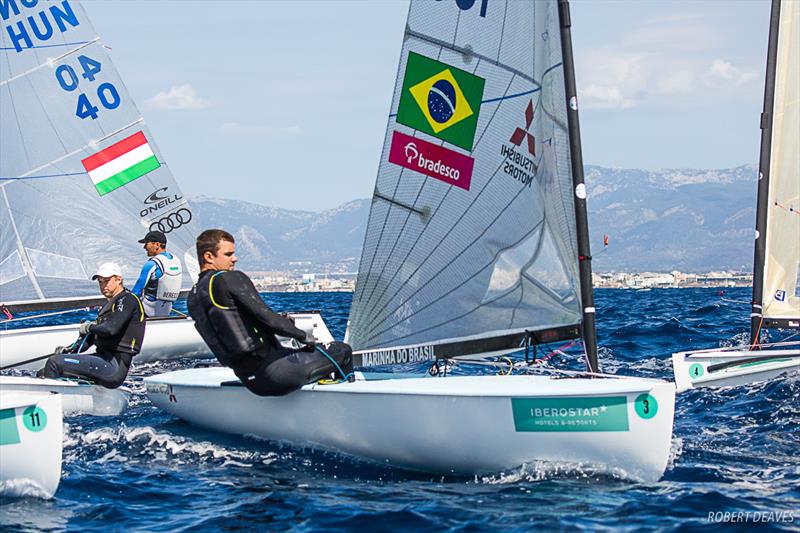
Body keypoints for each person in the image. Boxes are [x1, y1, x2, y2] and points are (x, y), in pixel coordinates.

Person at [187, 229, 353, 396]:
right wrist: (303, 336)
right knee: (342, 350)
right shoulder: (228, 278)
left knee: (299, 356)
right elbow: (269, 319)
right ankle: (345, 403)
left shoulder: (193, 297)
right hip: (276, 374)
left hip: (251, 381)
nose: (234, 259)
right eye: (228, 254)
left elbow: (237, 325)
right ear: (209, 257)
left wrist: (282, 324)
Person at [40, 262, 145, 389]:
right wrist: (68, 350)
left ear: (118, 280)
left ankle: (51, 403)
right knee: (43, 371)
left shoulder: (128, 299)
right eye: (100, 282)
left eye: (106, 281)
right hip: (103, 360)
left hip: (114, 366)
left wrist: (89, 327)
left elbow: (111, 329)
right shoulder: (109, 306)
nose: (103, 285)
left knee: (54, 363)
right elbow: (88, 341)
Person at [131, 230, 183, 317]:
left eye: (147, 243)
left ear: (157, 245)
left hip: (147, 310)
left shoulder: (151, 264)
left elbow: (136, 291)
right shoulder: (176, 260)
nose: (144, 247)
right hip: (167, 311)